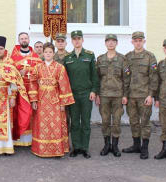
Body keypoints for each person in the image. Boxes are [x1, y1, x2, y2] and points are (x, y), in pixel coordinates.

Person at [29, 42, 74, 157]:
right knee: (41, 124)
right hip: (41, 100)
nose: (48, 54)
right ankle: (41, 149)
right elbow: (33, 83)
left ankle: (56, 149)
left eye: (50, 52)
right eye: (46, 52)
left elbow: (64, 85)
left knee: (55, 124)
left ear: (53, 53)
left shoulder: (60, 67)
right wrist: (33, 100)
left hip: (55, 100)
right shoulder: (37, 67)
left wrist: (63, 103)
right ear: (43, 54)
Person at [122, 31, 158, 160]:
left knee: (145, 123)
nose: (138, 43)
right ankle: (136, 145)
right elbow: (126, 79)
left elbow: (154, 78)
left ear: (144, 41)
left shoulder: (150, 57)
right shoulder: (128, 57)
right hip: (131, 96)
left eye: (140, 40)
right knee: (133, 122)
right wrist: (125, 95)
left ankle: (145, 148)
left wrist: (151, 95)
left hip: (144, 97)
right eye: (135, 40)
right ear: (132, 42)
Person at [63, 30, 99, 159]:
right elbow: (64, 79)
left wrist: (94, 91)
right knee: (74, 123)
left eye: (79, 38)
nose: (77, 41)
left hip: (86, 94)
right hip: (72, 95)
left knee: (85, 122)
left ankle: (85, 148)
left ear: (82, 40)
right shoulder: (67, 58)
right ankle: (76, 147)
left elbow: (94, 75)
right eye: (74, 39)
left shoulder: (89, 55)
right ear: (72, 41)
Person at [95, 34, 128, 157]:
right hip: (103, 95)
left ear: (116, 43)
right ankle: (106, 145)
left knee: (117, 121)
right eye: (108, 41)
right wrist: (97, 94)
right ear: (105, 43)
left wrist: (125, 95)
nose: (111, 43)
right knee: (105, 121)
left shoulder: (122, 59)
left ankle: (115, 146)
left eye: (113, 41)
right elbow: (96, 78)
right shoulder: (100, 59)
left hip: (118, 95)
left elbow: (126, 79)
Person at [10, 32, 42, 146]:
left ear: (29, 40)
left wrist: (29, 72)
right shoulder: (13, 57)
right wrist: (18, 72)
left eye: (26, 38)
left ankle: (31, 139)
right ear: (19, 41)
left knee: (32, 113)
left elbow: (40, 72)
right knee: (18, 113)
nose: (24, 40)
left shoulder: (36, 57)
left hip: (32, 89)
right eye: (22, 38)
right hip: (18, 90)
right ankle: (18, 138)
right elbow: (9, 72)